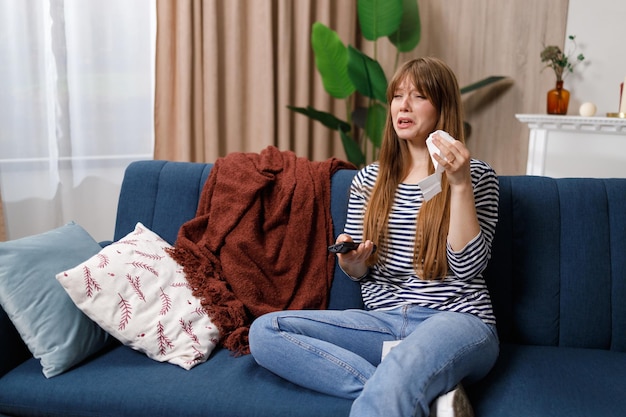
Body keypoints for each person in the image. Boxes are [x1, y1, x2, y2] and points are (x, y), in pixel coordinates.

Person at [248, 57, 500, 417]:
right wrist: (353, 265)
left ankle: (404, 385)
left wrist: (458, 186)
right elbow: (362, 273)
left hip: (456, 320)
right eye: (398, 96)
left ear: (443, 106)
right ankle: (431, 399)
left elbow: (465, 267)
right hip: (384, 322)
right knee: (266, 331)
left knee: (406, 361)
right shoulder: (369, 180)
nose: (404, 105)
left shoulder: (474, 175)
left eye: (418, 96)